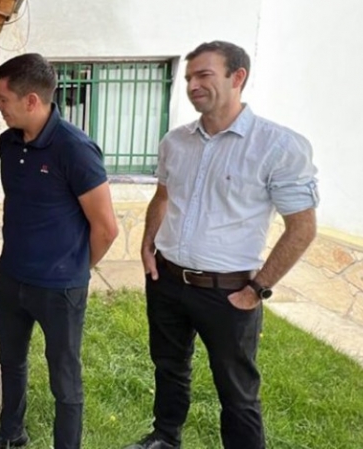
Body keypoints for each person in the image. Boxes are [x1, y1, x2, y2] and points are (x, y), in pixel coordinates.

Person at [123, 41, 319, 449]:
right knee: (169, 368)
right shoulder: (176, 141)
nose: (193, 84)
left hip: (229, 292)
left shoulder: (278, 147)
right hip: (168, 281)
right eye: (189, 77)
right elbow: (163, 197)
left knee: (237, 390)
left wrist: (257, 290)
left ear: (238, 77)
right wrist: (147, 247)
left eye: (204, 75)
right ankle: (165, 437)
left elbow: (301, 228)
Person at [0, 53, 119, 449]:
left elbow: (106, 228)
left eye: (2, 99)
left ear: (32, 100)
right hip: (13, 279)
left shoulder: (75, 149)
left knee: (64, 379)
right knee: (11, 364)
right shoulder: (8, 142)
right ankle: (12, 434)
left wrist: (74, 271)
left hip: (59, 290)